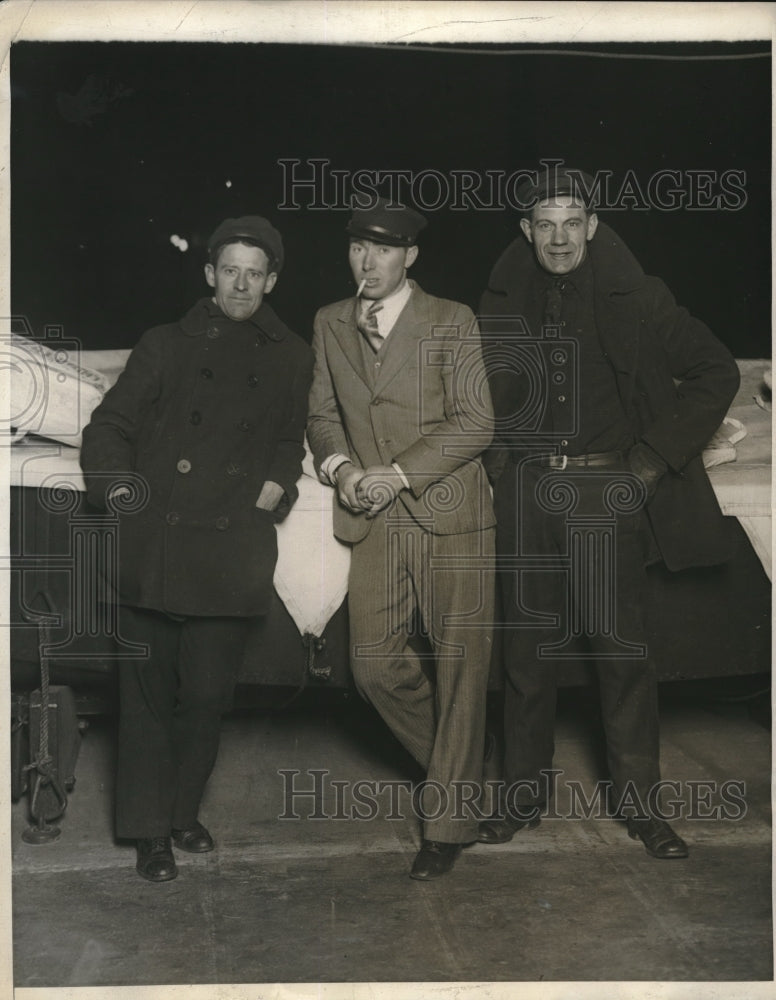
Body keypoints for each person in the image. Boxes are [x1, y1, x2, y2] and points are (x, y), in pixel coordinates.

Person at [478, 168, 740, 858]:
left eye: (572, 222)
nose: (559, 238)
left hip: (605, 493)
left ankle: (641, 807)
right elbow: (475, 394)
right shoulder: (501, 301)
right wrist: (503, 464)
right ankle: (520, 797)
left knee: (621, 656)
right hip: (529, 493)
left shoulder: (641, 297)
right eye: (545, 224)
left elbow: (717, 370)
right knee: (523, 655)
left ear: (593, 225)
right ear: (526, 231)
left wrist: (650, 462)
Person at [80, 215, 313, 882]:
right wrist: (121, 492)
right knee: (147, 699)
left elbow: (286, 443)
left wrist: (277, 486)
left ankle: (183, 812)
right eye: (229, 270)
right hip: (157, 542)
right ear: (210, 274)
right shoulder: (164, 345)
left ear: (271, 281)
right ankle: (151, 832)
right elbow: (110, 426)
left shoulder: (294, 355)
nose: (241, 284)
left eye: (255, 273)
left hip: (230, 546)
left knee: (208, 696)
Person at [307, 198, 496, 880]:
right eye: (358, 245)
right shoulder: (330, 322)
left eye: (383, 249)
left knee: (461, 671)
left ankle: (446, 823)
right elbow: (322, 415)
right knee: (372, 666)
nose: (368, 259)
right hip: (377, 521)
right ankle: (465, 783)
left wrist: (396, 471)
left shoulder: (452, 320)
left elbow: (478, 422)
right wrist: (341, 468)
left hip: (453, 517)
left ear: (410, 256)